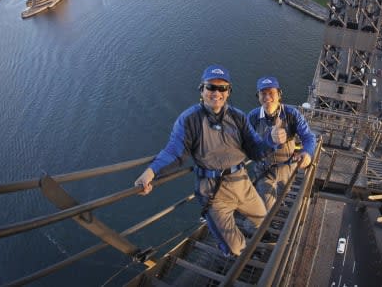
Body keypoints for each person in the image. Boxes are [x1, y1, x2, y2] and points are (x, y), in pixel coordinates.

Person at [134, 65, 287, 257]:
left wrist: (271, 141)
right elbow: (175, 151)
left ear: (228, 92)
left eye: (222, 88)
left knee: (263, 220)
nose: (217, 93)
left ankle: (261, 244)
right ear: (202, 90)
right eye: (211, 87)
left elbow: (256, 150)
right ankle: (246, 254)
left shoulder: (238, 117)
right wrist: (151, 172)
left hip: (242, 183)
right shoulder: (189, 119)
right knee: (234, 248)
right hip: (214, 193)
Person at [248, 76, 316, 210]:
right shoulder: (252, 117)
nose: (267, 97)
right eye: (263, 93)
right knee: (266, 207)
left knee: (284, 192)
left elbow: (308, 137)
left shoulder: (292, 114)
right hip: (264, 169)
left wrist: (306, 153)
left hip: (287, 166)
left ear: (279, 94)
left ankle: (281, 201)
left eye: (271, 93)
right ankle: (262, 223)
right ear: (258, 96)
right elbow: (246, 143)